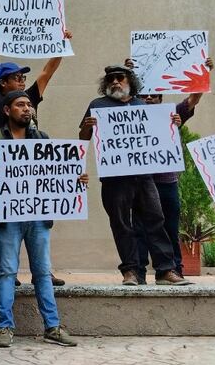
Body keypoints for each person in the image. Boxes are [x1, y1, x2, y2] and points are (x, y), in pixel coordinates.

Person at [0, 90, 85, 347]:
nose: (27, 109)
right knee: (6, 272)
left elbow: (55, 174)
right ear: (7, 110)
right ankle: (4, 327)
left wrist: (76, 179)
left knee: (43, 272)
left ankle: (52, 327)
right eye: (20, 105)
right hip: (9, 218)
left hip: (38, 217)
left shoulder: (42, 138)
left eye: (29, 105)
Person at [79, 65, 192, 286]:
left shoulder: (143, 105)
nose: (115, 82)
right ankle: (130, 271)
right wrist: (87, 126)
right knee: (121, 224)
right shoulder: (97, 105)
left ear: (130, 81)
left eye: (120, 78)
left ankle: (165, 270)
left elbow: (162, 135)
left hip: (144, 176)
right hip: (114, 179)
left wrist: (173, 123)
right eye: (110, 79)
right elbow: (83, 138)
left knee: (156, 220)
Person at [0, 24, 73, 288]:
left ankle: (43, 270)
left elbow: (47, 72)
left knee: (40, 217)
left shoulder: (29, 97)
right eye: (15, 76)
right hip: (7, 168)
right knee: (9, 222)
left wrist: (61, 45)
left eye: (23, 77)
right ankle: (9, 271)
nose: (22, 80)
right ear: (2, 83)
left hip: (35, 166)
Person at [126, 57, 214, 283]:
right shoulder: (127, 114)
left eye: (153, 96)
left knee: (169, 227)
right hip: (139, 181)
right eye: (144, 95)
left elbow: (193, 99)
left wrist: (203, 72)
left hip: (166, 181)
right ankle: (139, 273)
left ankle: (173, 270)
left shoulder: (172, 113)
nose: (148, 99)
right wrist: (129, 72)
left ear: (160, 98)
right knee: (139, 228)